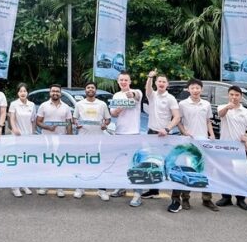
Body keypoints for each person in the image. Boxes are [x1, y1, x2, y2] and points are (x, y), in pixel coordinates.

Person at [170, 79, 219, 212]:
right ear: (188, 89)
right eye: (192, 88)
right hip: (188, 141)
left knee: (205, 170)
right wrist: (184, 132)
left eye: (198, 88)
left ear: (201, 89)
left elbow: (208, 121)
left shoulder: (206, 104)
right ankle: (185, 198)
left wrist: (211, 134)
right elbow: (178, 120)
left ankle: (207, 199)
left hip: (203, 141)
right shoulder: (183, 104)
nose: (195, 90)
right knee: (188, 169)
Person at [214, 85, 247, 210]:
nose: (234, 97)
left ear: (241, 97)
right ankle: (226, 197)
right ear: (228, 95)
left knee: (240, 174)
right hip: (224, 147)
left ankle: (240, 199)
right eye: (232, 94)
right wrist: (228, 107)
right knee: (224, 173)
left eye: (237, 95)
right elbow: (220, 115)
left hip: (239, 148)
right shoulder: (222, 107)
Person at [141, 70, 181, 200]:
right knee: (152, 162)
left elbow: (177, 117)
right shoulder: (152, 95)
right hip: (151, 133)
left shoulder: (171, 98)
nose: (161, 83)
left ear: (167, 84)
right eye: (159, 81)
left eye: (164, 81)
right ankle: (153, 190)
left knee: (167, 162)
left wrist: (167, 129)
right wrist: (150, 77)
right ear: (156, 83)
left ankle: (174, 191)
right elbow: (147, 88)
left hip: (165, 135)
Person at [108, 71, 145, 207]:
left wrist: (131, 95)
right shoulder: (116, 95)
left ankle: (137, 194)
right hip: (119, 133)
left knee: (135, 164)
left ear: (130, 81)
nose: (123, 82)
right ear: (118, 82)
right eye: (121, 80)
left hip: (133, 133)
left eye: (126, 80)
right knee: (121, 163)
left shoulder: (137, 92)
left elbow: (136, 96)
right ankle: (121, 187)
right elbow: (113, 113)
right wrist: (119, 109)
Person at [72, 81, 111, 201]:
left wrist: (105, 124)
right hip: (83, 139)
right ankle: (80, 188)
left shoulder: (102, 104)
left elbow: (108, 119)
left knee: (100, 164)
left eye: (92, 87)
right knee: (82, 163)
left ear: (95, 90)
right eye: (88, 87)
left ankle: (102, 190)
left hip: (99, 139)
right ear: (85, 90)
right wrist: (76, 124)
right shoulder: (79, 104)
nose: (90, 89)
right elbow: (74, 119)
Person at [36, 84, 73, 198]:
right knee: (46, 162)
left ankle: (59, 187)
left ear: (60, 93)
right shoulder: (43, 106)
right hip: (46, 139)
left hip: (61, 139)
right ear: (50, 93)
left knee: (60, 163)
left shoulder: (66, 107)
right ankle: (44, 185)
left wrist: (70, 138)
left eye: (57, 91)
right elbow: (38, 122)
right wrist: (48, 127)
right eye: (53, 91)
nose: (55, 93)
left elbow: (69, 123)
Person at [7, 83, 35, 197]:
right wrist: (15, 129)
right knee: (17, 162)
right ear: (18, 93)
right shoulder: (14, 104)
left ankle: (24, 184)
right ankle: (15, 187)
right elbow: (12, 119)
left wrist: (33, 133)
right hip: (17, 137)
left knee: (25, 162)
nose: (22, 93)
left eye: (24, 91)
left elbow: (33, 121)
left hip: (28, 137)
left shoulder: (32, 105)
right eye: (20, 91)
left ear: (27, 92)